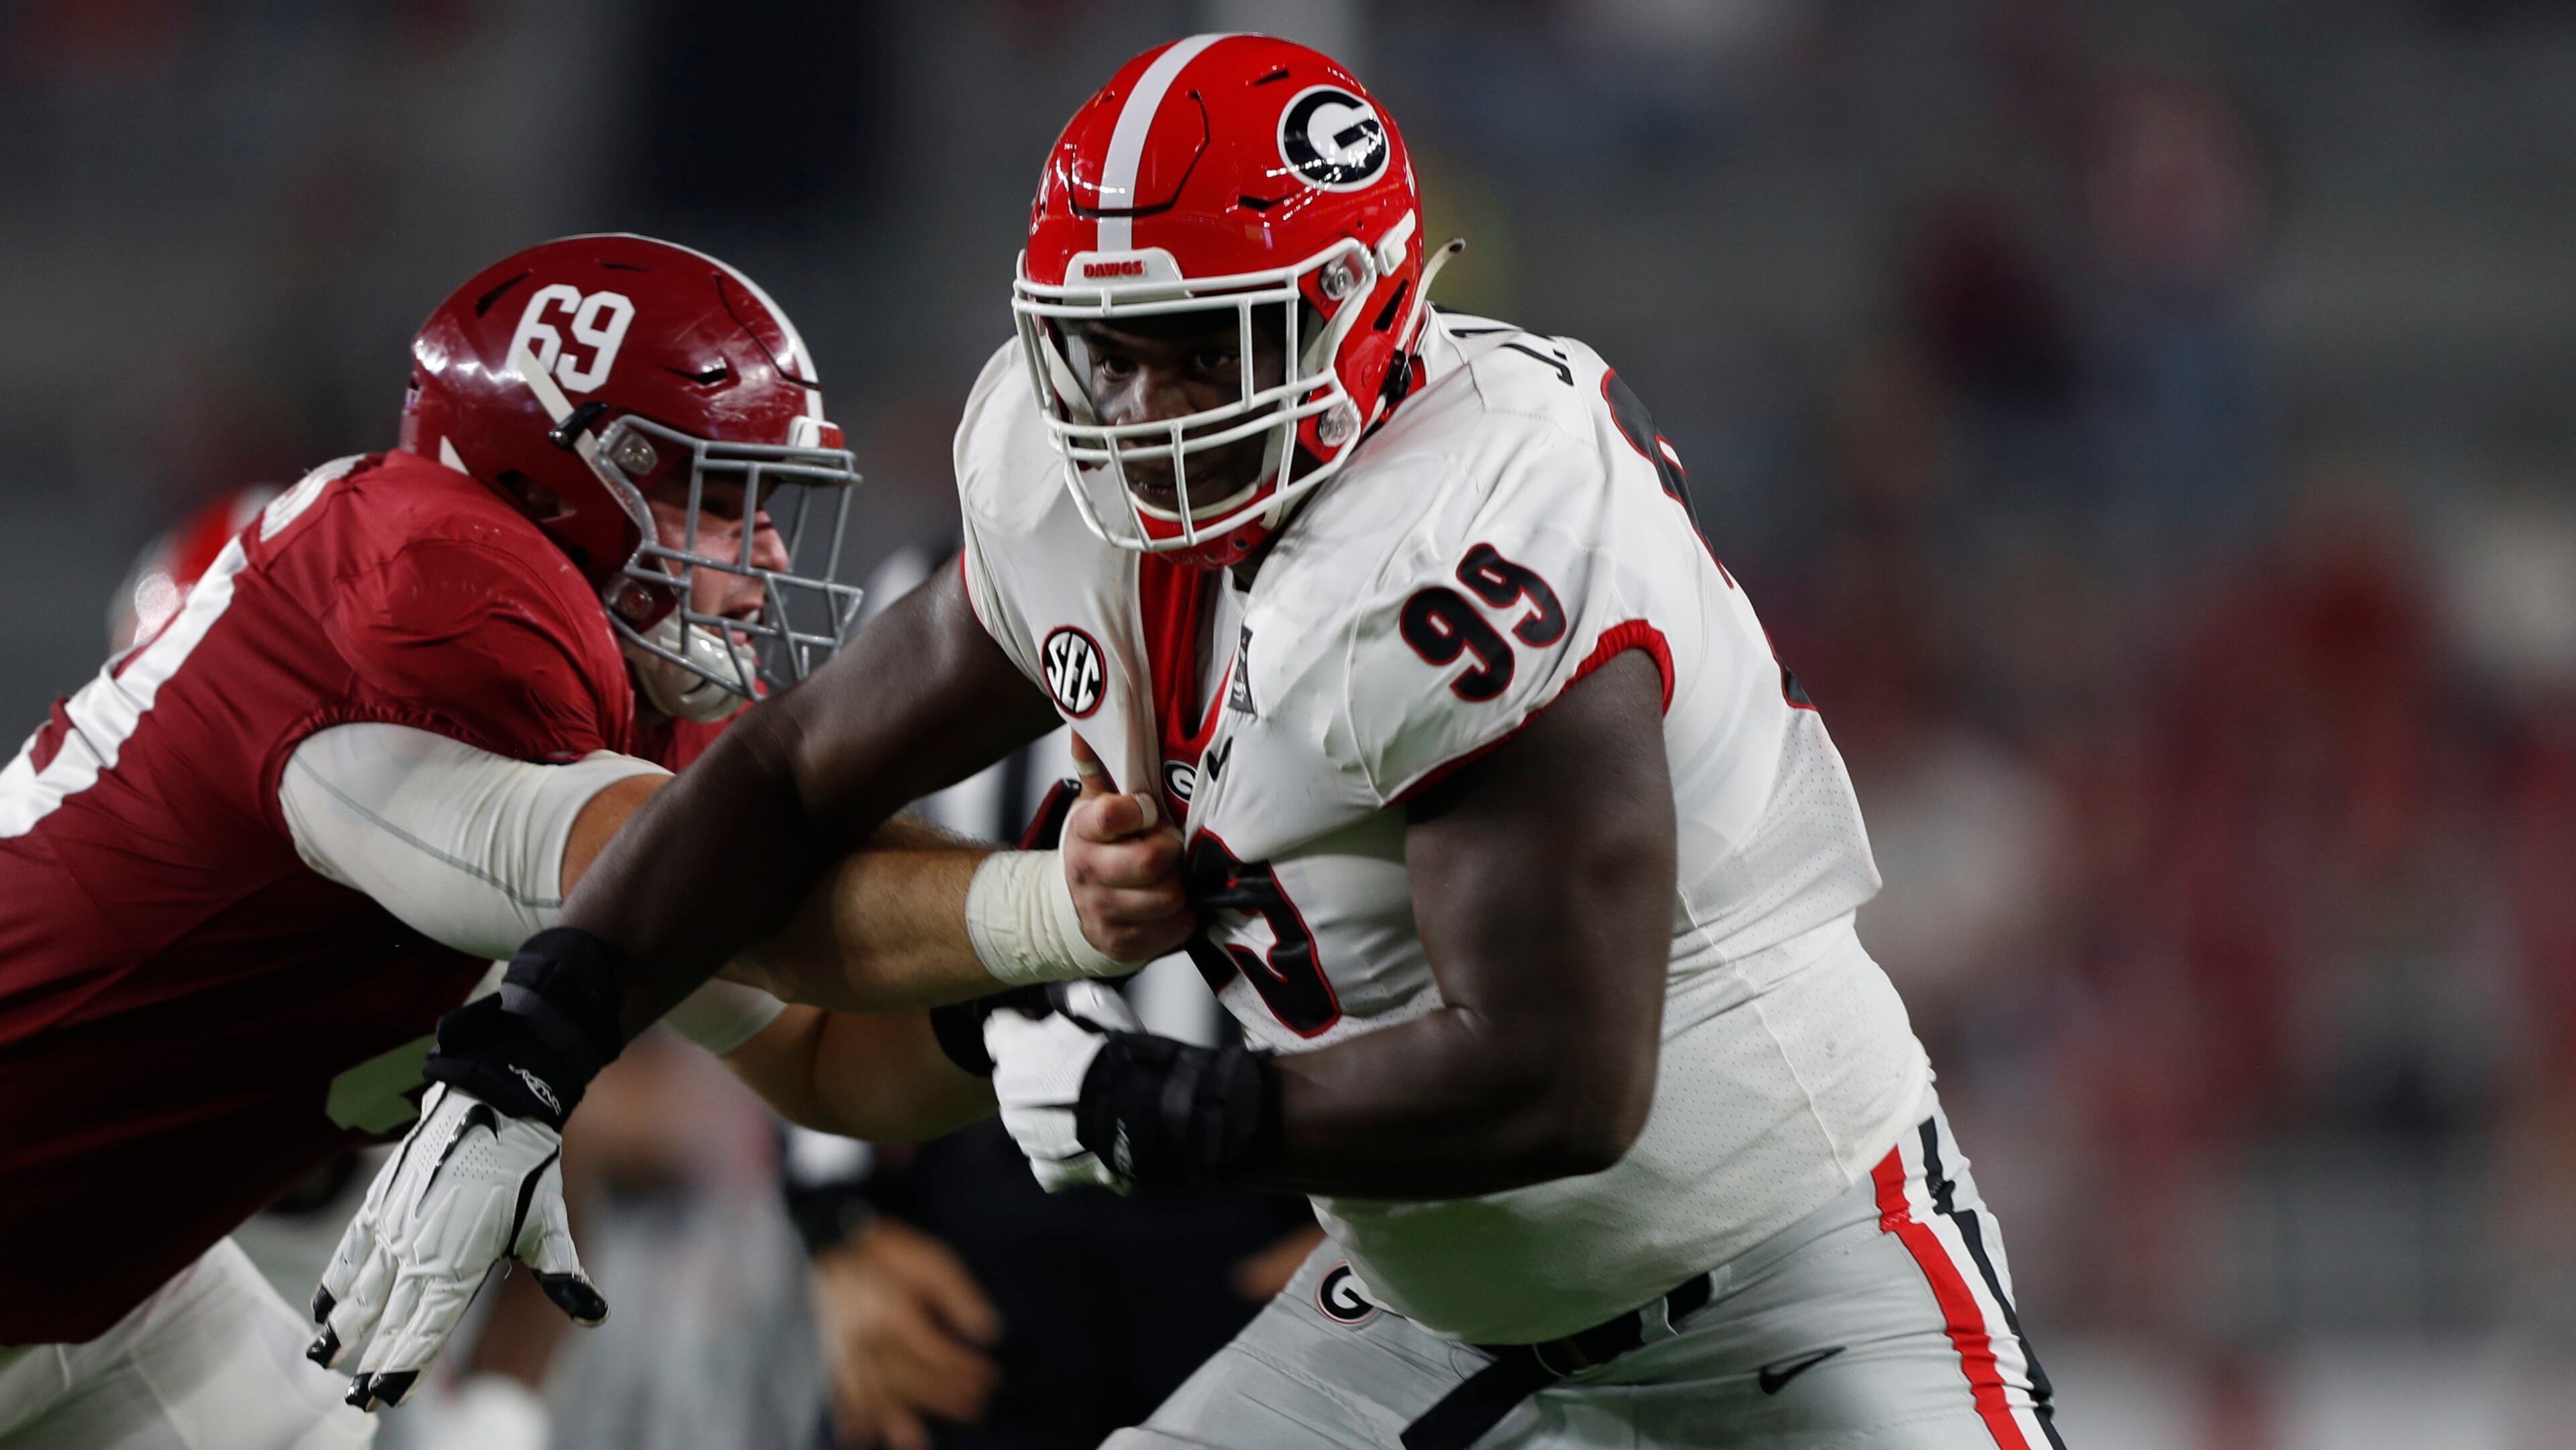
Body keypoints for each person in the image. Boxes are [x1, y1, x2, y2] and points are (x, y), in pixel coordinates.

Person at [354, 37, 2065, 1450]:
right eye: (1107, 352)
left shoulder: (1487, 531)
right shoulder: (1062, 488)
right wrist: (542, 1030)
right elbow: (800, 771)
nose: (1143, 409)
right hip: (1434, 1311)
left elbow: (1563, 1079)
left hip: (1783, 1270)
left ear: (1361, 311)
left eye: (1201, 350)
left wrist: (1170, 1107)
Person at [0, 233, 1167, 1450]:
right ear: (562, 487)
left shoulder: (621, 717)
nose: (768, 553)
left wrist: (1004, 996)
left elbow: (825, 1055)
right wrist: (1050, 903)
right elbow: (679, 882)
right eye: (722, 499)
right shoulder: (410, 590)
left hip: (112, 1280)